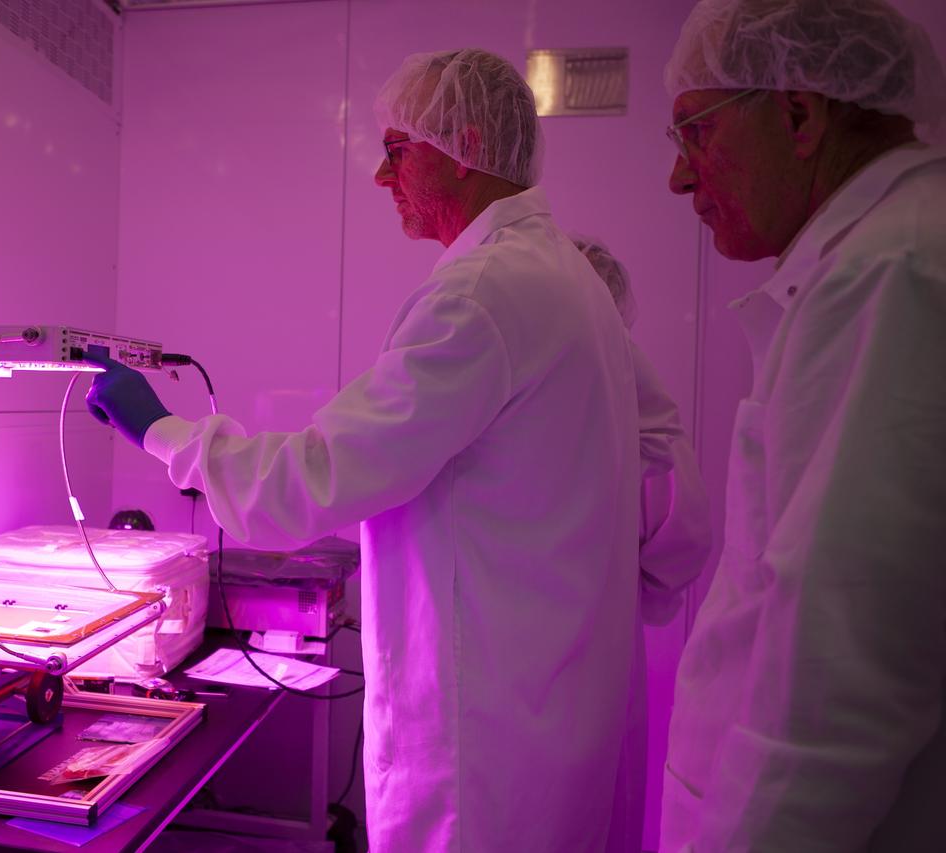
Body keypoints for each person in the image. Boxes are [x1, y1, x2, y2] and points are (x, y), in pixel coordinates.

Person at [88, 49, 642, 851]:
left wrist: (159, 429)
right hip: (543, 718)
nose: (383, 177)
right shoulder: (566, 278)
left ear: (464, 147)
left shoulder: (483, 292)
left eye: (396, 150)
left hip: (485, 753)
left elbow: (309, 481)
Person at [658, 1, 946, 850]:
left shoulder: (890, 271)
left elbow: (839, 673)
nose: (679, 178)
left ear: (798, 114)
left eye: (696, 133)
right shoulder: (878, 255)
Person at [572, 236, 712, 853]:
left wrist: (623, 587)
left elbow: (683, 534)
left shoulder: (632, 395)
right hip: (526, 659)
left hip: (597, 647)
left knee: (590, 813)